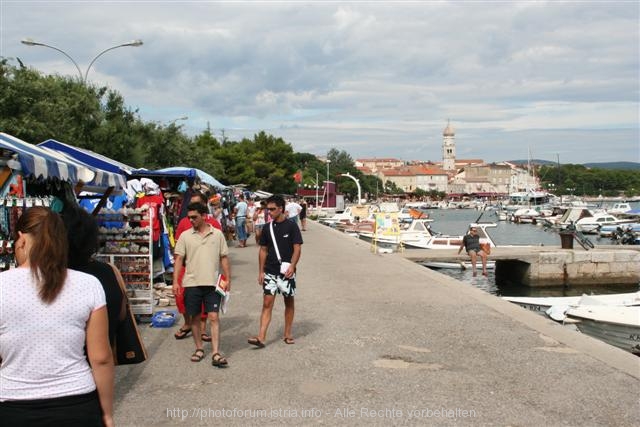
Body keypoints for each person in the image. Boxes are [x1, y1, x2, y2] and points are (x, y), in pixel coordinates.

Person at [0, 207, 114, 426]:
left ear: (21, 239)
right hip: (77, 404)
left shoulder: (2, 285)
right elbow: (101, 358)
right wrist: (107, 413)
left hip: (14, 406)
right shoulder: (88, 285)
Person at [173, 202, 231, 367]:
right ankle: (199, 348)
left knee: (213, 317)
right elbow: (178, 259)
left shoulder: (218, 234)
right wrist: (176, 282)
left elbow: (224, 258)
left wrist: (228, 280)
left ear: (204, 216)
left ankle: (215, 352)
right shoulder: (185, 236)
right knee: (195, 318)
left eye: (194, 217)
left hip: (213, 283)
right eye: (189, 217)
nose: (191, 220)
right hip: (191, 283)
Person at [63, 206, 124, 347]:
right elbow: (121, 315)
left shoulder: (51, 279)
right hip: (103, 357)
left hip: (70, 363)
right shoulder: (109, 271)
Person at [248, 195, 303, 348]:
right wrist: (260, 271)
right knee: (267, 303)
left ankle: (287, 333)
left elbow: (297, 248)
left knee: (289, 301)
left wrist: (292, 266)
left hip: (287, 271)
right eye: (268, 209)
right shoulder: (267, 228)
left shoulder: (292, 226)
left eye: (272, 209)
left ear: (281, 209)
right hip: (270, 270)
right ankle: (261, 337)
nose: (269, 212)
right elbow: (263, 250)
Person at [173, 192, 222, 342]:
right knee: (180, 296)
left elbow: (220, 252)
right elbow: (178, 247)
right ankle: (188, 323)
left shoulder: (214, 224)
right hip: (186, 266)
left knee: (203, 297)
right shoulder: (183, 222)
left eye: (196, 204)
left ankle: (202, 329)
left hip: (205, 268)